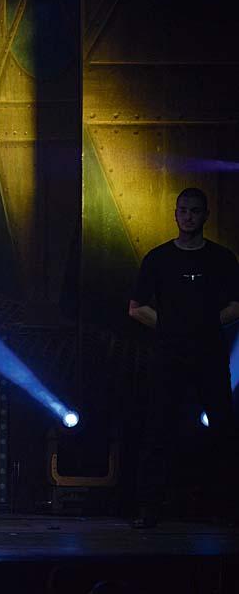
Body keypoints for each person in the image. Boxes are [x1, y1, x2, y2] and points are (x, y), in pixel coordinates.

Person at [128, 187, 239, 528]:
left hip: (210, 356)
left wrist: (203, 326)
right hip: (169, 356)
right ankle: (149, 507)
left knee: (222, 429)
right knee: (158, 429)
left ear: (205, 215)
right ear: (176, 214)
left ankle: (228, 508)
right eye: (183, 210)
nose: (188, 216)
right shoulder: (158, 259)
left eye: (195, 211)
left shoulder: (221, 259)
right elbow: (136, 308)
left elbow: (237, 305)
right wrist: (173, 328)